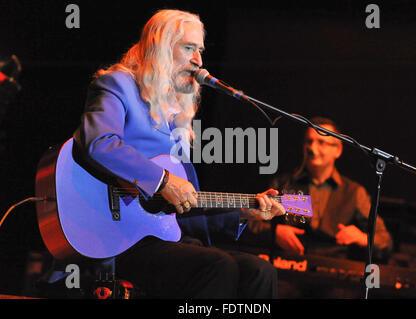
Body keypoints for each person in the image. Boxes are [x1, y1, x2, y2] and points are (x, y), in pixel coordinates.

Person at [70, 9, 286, 299]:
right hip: (117, 238)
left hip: (167, 238)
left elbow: (184, 211)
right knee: (217, 266)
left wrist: (244, 212)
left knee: (260, 271)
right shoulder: (118, 84)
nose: (198, 60)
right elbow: (99, 141)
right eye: (188, 48)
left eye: (200, 50)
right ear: (160, 47)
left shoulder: (178, 117)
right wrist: (162, 181)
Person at [246, 117, 392, 262]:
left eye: (321, 142)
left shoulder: (353, 192)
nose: (312, 148)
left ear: (338, 149)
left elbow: (384, 241)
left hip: (334, 273)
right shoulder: (284, 184)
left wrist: (361, 238)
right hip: (287, 265)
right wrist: (274, 232)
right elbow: (250, 222)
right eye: (309, 141)